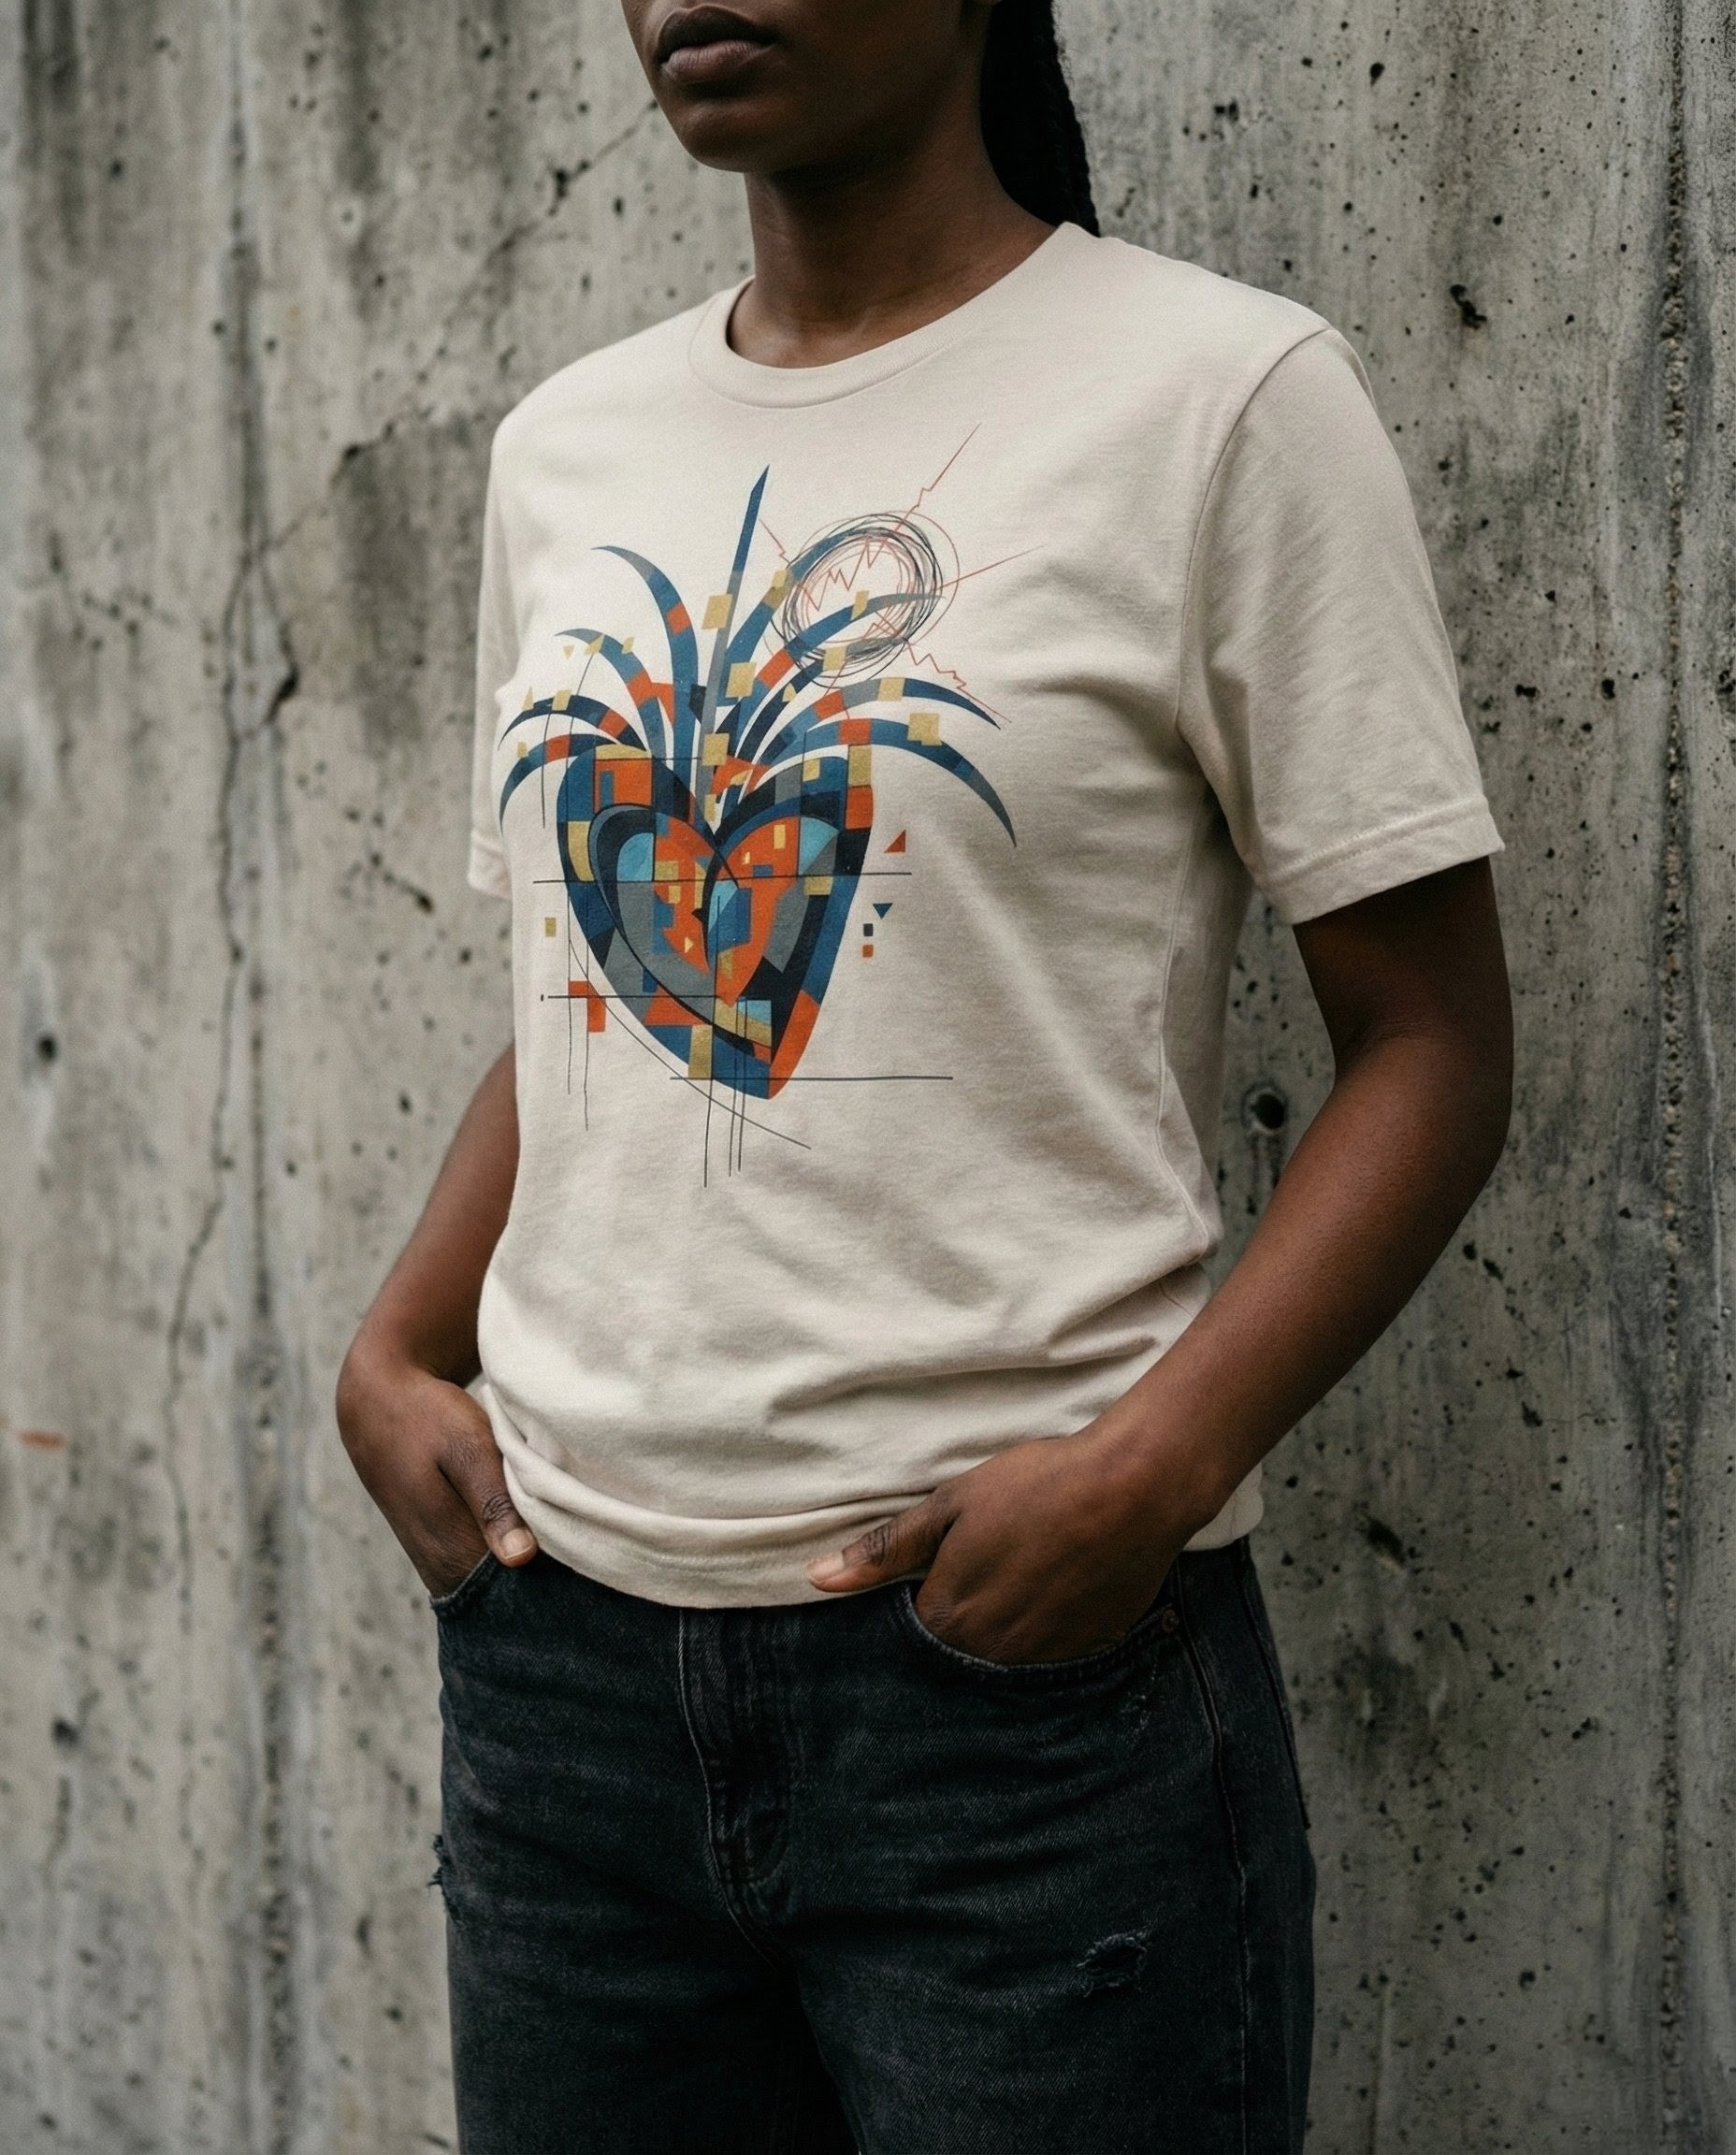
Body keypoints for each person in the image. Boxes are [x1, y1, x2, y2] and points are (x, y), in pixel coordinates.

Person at [335, 2, 1512, 2148]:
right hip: (562, 1678)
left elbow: (1430, 1043)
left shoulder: (1219, 396)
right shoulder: (569, 443)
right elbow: (582, 989)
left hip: (1014, 1699)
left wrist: (1150, 1470)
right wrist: (399, 1345)